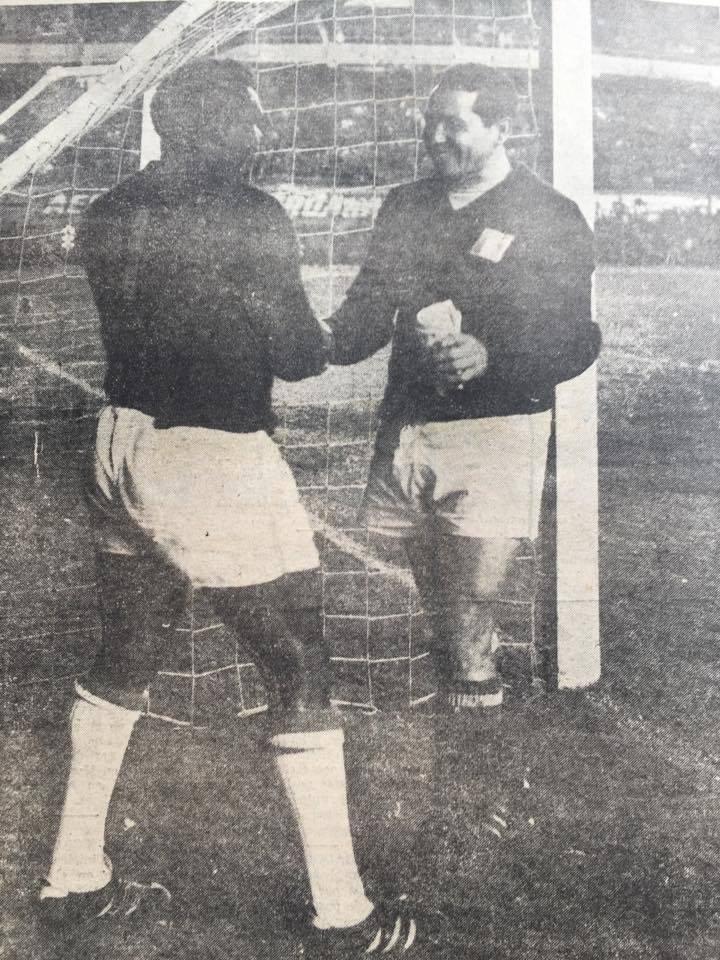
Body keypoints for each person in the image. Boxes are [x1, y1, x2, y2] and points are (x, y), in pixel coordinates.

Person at [38, 58, 419, 957]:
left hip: (118, 443)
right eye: (250, 114)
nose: (263, 130)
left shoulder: (110, 210)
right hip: (213, 454)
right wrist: (376, 309)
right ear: (206, 120)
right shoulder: (249, 213)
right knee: (300, 665)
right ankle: (341, 912)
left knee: (125, 655)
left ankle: (72, 876)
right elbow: (296, 355)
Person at [326, 63, 600, 711]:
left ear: (503, 129)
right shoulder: (406, 206)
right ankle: (465, 743)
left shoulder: (547, 215)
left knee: (470, 608)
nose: (436, 137)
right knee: (446, 613)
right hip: (409, 424)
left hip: (496, 432)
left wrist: (492, 356)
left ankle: (479, 775)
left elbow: (578, 337)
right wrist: (307, 339)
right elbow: (366, 313)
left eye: (456, 123)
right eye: (430, 121)